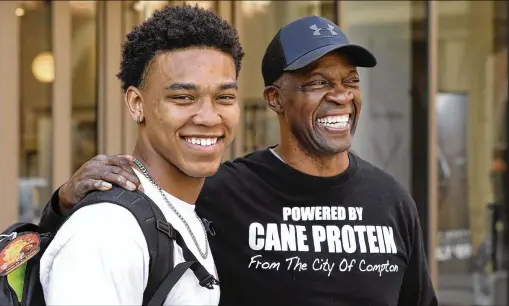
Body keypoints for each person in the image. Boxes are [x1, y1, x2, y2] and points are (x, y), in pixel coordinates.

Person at [39, 15, 438, 306]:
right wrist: (65, 202)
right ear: (274, 99)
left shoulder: (391, 200)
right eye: (317, 82)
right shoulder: (215, 193)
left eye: (349, 81)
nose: (340, 95)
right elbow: (96, 237)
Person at [38, 5, 243, 306]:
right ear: (136, 103)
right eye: (183, 98)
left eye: (224, 97)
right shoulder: (108, 231)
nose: (210, 117)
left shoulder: (182, 209)